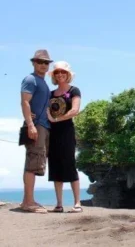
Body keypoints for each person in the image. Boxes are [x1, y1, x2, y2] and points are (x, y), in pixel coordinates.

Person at [46, 61, 83, 213]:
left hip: (67, 131)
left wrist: (57, 119)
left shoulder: (74, 90)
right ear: (54, 75)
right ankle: (59, 204)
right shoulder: (50, 94)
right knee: (54, 165)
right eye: (57, 72)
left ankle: (77, 203)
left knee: (69, 163)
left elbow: (75, 110)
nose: (60, 74)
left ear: (67, 74)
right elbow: (45, 111)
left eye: (62, 72)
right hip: (52, 133)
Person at [20, 49, 53, 213]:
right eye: (40, 62)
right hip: (36, 125)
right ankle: (29, 203)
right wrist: (31, 124)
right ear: (33, 63)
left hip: (43, 125)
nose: (43, 65)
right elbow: (25, 102)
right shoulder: (30, 79)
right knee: (33, 161)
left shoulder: (42, 82)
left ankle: (26, 200)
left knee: (34, 160)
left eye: (46, 62)